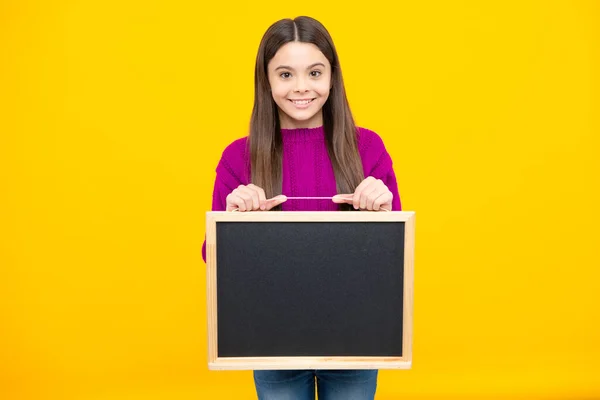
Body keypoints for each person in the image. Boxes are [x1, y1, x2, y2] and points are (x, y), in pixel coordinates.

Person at [202, 16, 401, 400]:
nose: (302, 88)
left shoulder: (368, 148)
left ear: (332, 76)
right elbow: (212, 258)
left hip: (354, 340)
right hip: (271, 340)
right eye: (286, 74)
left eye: (314, 72)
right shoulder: (237, 157)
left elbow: (394, 261)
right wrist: (231, 224)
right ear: (267, 81)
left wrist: (384, 213)